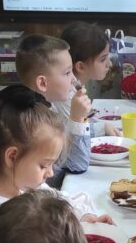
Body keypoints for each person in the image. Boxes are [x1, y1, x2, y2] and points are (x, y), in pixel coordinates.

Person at [0, 84, 111, 243]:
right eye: (44, 165)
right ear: (12, 157)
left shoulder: (31, 189)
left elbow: (65, 202)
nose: (50, 173)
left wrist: (84, 217)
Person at [16, 33, 93, 173]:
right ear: (42, 83)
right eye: (67, 73)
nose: (74, 79)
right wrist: (78, 119)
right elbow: (77, 165)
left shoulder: (50, 106)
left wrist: (83, 119)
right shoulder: (37, 122)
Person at [60, 22, 121, 137]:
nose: (110, 64)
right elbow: (73, 132)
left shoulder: (76, 84)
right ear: (81, 67)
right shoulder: (66, 95)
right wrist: (102, 128)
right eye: (103, 59)